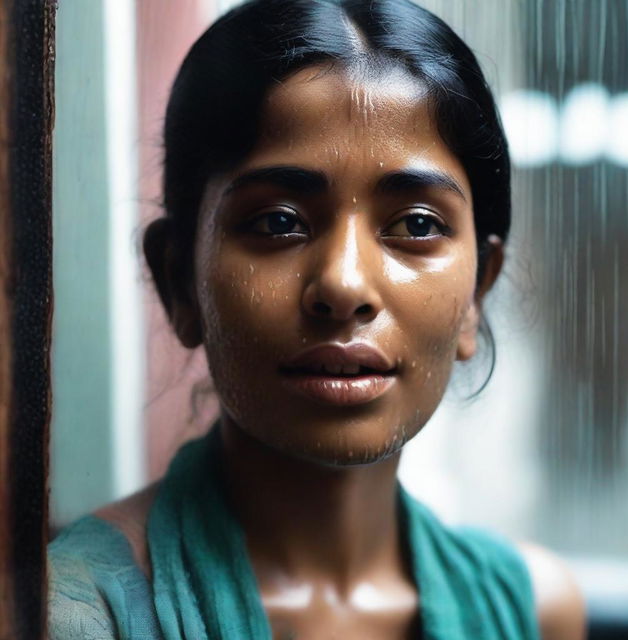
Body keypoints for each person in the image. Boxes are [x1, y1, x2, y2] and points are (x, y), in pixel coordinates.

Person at [48, 0, 586, 638]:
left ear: (477, 293)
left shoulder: (532, 611)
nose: (344, 285)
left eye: (416, 225)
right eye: (278, 222)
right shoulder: (69, 615)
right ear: (179, 281)